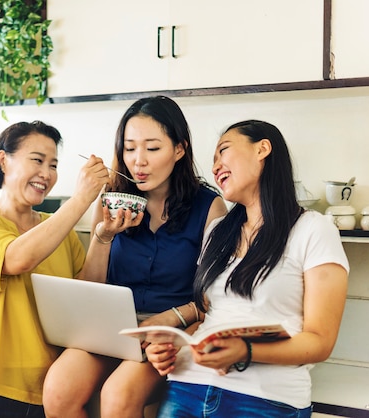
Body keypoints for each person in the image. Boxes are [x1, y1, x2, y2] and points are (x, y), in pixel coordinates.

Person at [145, 120, 349, 417]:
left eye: (223, 151)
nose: (215, 167)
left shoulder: (314, 229)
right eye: (213, 160)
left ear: (262, 149)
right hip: (187, 387)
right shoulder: (217, 231)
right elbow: (208, 316)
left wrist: (246, 350)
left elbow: (320, 341)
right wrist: (172, 347)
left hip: (265, 399)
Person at [43, 96, 228, 418]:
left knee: (118, 395)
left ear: (179, 149)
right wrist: (103, 236)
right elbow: (90, 287)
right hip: (111, 328)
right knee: (58, 390)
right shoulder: (112, 200)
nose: (138, 161)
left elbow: (216, 296)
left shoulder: (210, 207)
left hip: (168, 333)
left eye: (152, 148)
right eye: (130, 148)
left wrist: (172, 318)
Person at [0, 121, 110, 417]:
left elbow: (87, 293)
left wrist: (103, 236)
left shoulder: (58, 227)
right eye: (37, 160)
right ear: (3, 161)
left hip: (54, 386)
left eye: (53, 165)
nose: (46, 174)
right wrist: (80, 200)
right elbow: (17, 259)